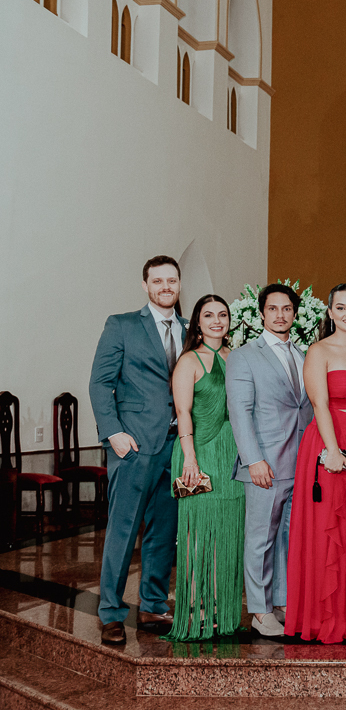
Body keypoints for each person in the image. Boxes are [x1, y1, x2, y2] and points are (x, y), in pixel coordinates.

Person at [88, 256, 186, 645]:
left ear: (179, 285)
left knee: (164, 531)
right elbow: (99, 382)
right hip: (134, 444)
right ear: (145, 285)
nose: (166, 287)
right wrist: (113, 433)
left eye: (172, 280)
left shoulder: (188, 328)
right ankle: (111, 612)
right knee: (123, 529)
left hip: (177, 446)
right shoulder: (122, 325)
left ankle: (152, 605)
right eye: (158, 281)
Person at [285, 284, 346, 643]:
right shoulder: (319, 350)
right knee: (330, 527)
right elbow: (320, 405)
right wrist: (332, 450)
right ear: (330, 313)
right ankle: (324, 616)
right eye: (340, 307)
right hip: (330, 442)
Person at [226, 283, 314, 637]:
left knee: (289, 539)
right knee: (260, 539)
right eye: (273, 309)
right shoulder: (245, 355)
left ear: (295, 314)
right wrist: (253, 460)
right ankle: (260, 611)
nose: (280, 315)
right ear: (262, 313)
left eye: (287, 309)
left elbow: (304, 408)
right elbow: (240, 411)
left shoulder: (303, 354)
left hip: (300, 463)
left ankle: (283, 602)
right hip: (265, 464)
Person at [165, 294, 244, 640]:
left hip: (233, 455)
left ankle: (223, 611)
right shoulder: (189, 361)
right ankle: (196, 608)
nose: (216, 321)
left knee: (228, 533)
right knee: (200, 535)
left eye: (222, 314)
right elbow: (182, 412)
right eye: (209, 315)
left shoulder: (236, 357)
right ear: (197, 321)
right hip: (199, 452)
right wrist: (191, 459)